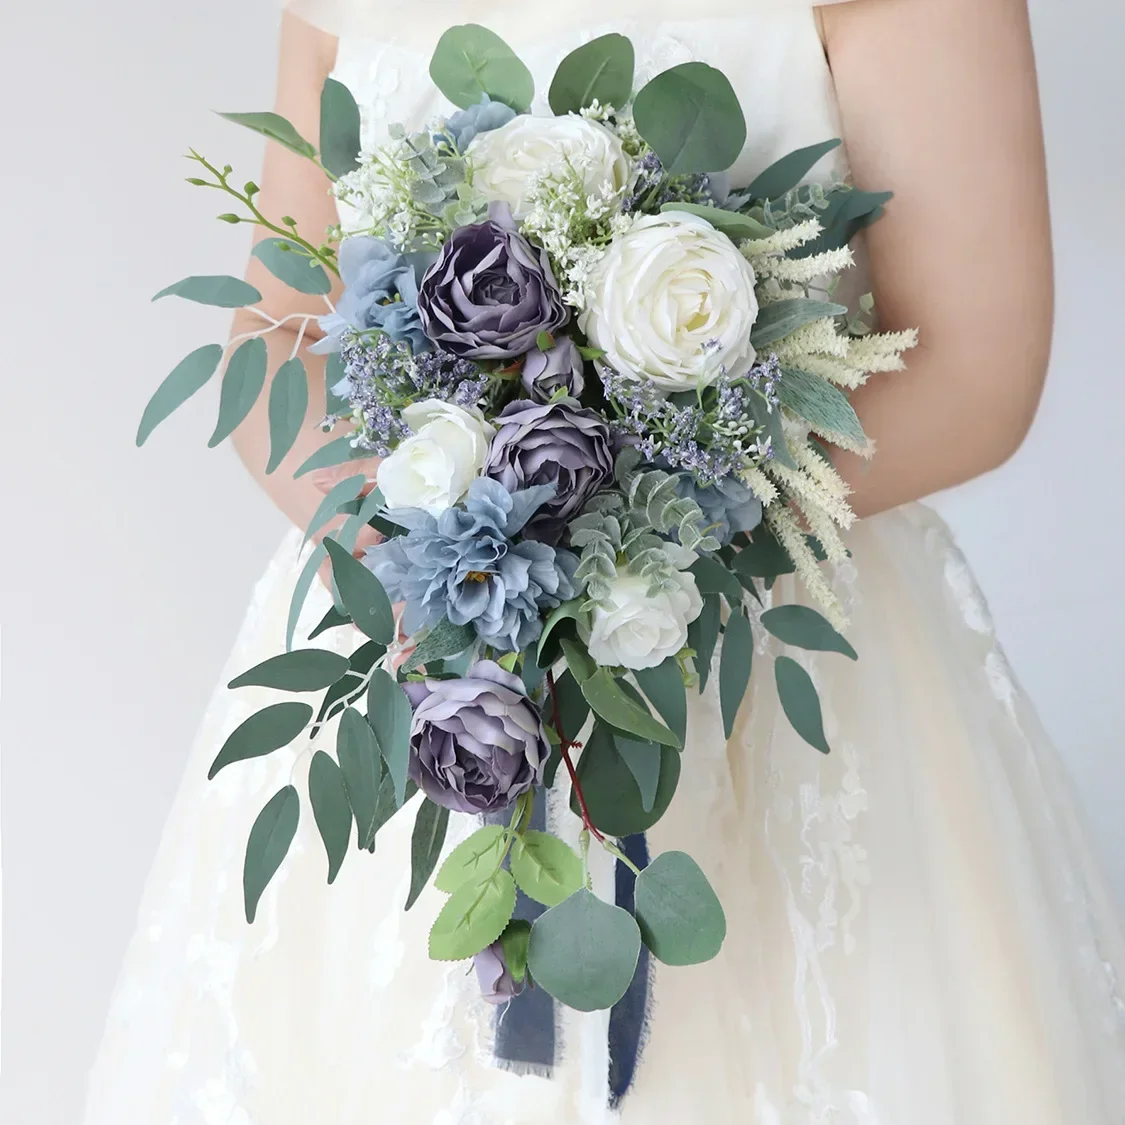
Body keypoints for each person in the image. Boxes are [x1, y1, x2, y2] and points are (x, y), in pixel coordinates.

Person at [82, 2, 1125, 1121]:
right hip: (421, 655)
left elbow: (976, 370)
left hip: (755, 651)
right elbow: (279, 327)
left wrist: (617, 547)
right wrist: (438, 571)